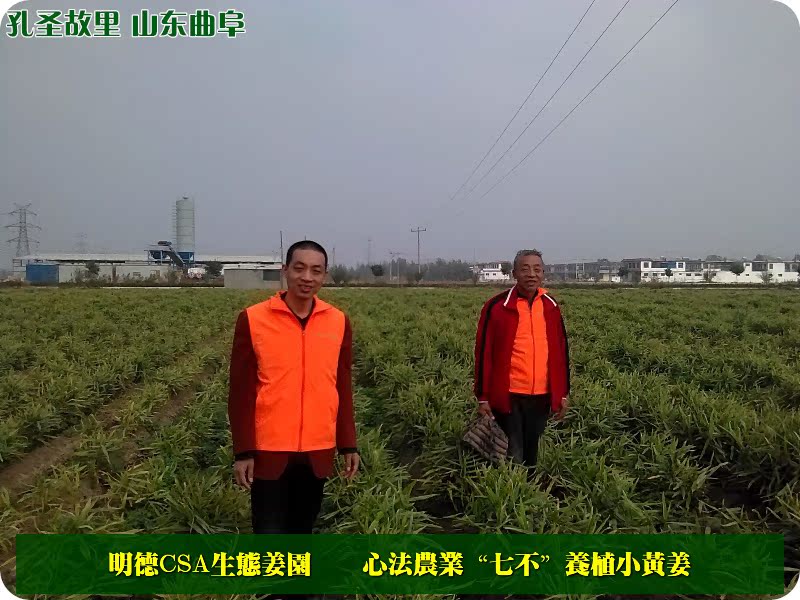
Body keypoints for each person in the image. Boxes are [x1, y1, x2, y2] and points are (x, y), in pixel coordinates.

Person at [228, 240, 359, 534]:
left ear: (325, 275)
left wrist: (348, 443)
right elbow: (240, 393)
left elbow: (342, 386)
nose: (307, 277)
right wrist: (243, 451)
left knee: (302, 530)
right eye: (299, 268)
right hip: (269, 449)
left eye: (316, 270)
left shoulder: (338, 321)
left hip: (318, 448)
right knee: (269, 533)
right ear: (285, 270)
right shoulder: (253, 319)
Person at [473, 249, 570, 475]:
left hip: (542, 394)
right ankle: (512, 491)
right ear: (514, 273)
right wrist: (483, 397)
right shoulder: (497, 307)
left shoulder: (551, 306)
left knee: (532, 449)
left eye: (537, 269)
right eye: (525, 269)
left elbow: (561, 351)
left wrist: (563, 393)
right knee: (513, 453)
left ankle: (529, 490)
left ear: (543, 273)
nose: (531, 274)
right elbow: (484, 353)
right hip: (509, 394)